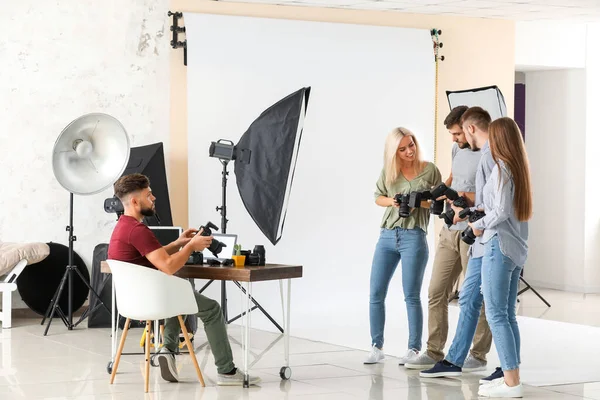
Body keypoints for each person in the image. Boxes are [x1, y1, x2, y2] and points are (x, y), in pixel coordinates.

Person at [107, 173, 260, 386]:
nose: (154, 199)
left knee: (178, 292)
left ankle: (167, 350)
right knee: (212, 309)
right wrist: (190, 247)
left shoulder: (123, 227)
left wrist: (179, 242)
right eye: (149, 195)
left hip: (133, 303)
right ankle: (227, 371)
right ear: (134, 201)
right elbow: (168, 266)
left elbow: (152, 255)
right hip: (153, 301)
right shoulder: (138, 230)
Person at [405, 106, 492, 371]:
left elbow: (491, 196)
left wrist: (461, 199)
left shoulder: (490, 154)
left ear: (468, 127)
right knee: (435, 291)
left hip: (474, 232)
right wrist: (435, 193)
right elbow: (453, 179)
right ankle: (433, 351)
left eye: (457, 133)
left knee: (475, 296)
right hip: (449, 231)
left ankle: (477, 355)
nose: (454, 139)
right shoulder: (457, 149)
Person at [364, 127, 442, 365]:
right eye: (403, 148)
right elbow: (378, 196)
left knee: (411, 295)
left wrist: (419, 201)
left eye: (412, 145)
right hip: (387, 236)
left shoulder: (429, 170)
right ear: (394, 152)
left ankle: (413, 349)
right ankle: (376, 347)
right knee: (376, 293)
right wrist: (394, 202)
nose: (410, 151)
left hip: (413, 237)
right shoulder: (390, 172)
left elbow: (439, 203)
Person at [471, 117, 532, 398]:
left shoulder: (501, 169)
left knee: (496, 314)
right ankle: (512, 378)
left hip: (498, 246)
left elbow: (502, 211)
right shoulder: (519, 169)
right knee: (507, 315)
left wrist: (479, 224)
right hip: (515, 249)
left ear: (498, 140)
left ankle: (511, 384)